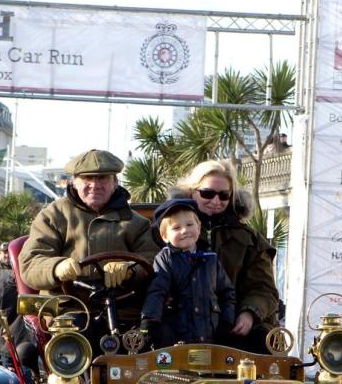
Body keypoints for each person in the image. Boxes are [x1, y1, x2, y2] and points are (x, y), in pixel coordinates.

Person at [19, 149, 158, 330]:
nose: (95, 185)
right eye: (88, 178)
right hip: (67, 309)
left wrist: (129, 269)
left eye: (103, 179)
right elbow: (30, 263)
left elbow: (154, 261)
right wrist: (56, 267)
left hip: (123, 309)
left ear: (115, 183)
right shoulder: (53, 215)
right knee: (60, 342)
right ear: (74, 182)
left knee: (151, 338)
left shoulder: (137, 222)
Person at [172, 160, 281, 353]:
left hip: (232, 326)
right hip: (178, 324)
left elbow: (264, 289)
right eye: (207, 193)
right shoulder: (168, 230)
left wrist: (249, 314)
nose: (215, 201)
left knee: (263, 346)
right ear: (191, 191)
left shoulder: (250, 239)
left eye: (223, 195)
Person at [139, 198, 235, 346]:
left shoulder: (211, 259)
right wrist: (149, 321)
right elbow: (157, 291)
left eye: (190, 224)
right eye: (176, 228)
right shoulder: (165, 258)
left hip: (210, 334)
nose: (185, 231)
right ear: (165, 236)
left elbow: (227, 294)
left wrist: (227, 322)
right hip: (176, 335)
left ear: (199, 227)